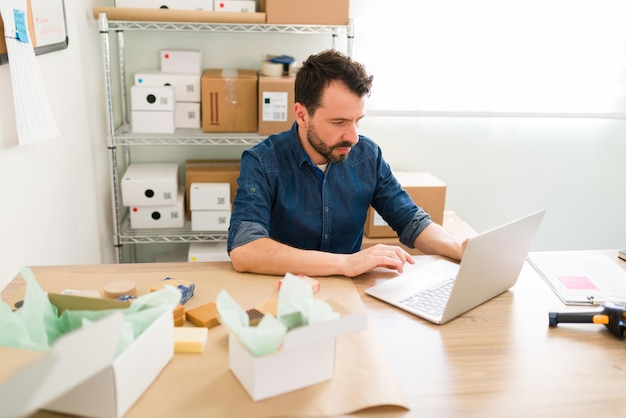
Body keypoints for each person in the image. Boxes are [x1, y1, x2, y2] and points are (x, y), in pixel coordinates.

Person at [227, 49, 465, 277]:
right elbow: (245, 249)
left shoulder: (368, 155)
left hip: (350, 294)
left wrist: (459, 249)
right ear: (302, 115)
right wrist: (346, 262)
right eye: (339, 122)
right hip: (287, 292)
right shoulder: (262, 161)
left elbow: (410, 220)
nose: (353, 137)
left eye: (357, 121)